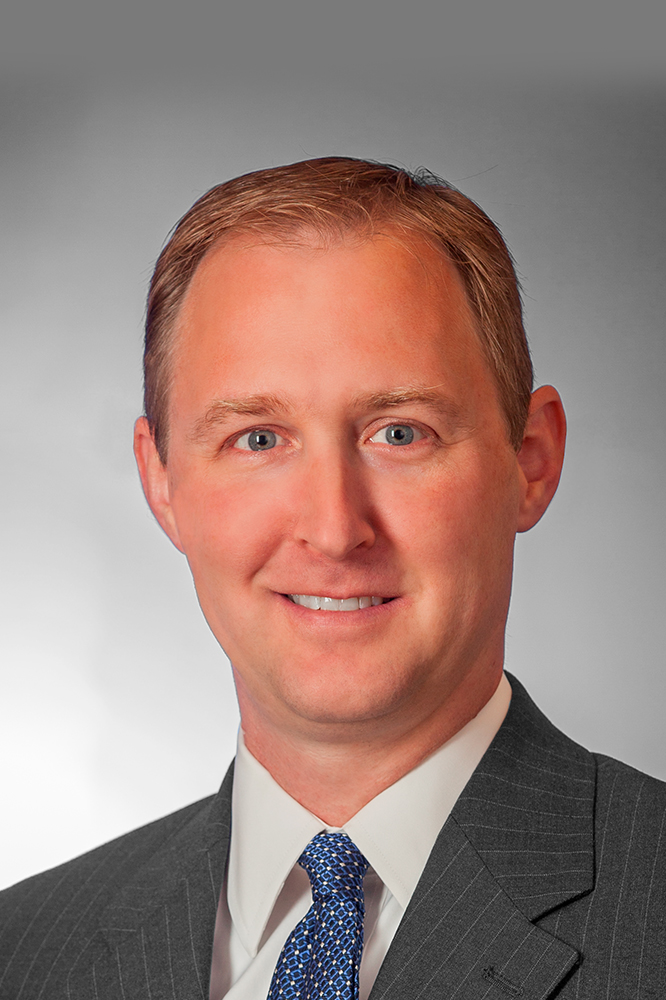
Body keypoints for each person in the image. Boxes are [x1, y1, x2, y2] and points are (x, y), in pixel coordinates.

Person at [0, 157, 664, 1000]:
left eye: (400, 433)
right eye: (258, 439)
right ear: (161, 483)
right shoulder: (23, 954)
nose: (335, 529)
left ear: (531, 461)